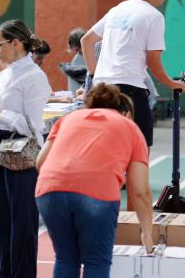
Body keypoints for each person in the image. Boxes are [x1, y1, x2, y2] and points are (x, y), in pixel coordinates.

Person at [35, 83, 152, 278]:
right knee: (96, 260)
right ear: (125, 112)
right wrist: (147, 232)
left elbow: (40, 162)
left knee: (66, 258)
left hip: (50, 190)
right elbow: (140, 190)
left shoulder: (68, 119)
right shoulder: (130, 127)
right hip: (97, 193)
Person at [0, 19, 51, 278]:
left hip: (21, 147)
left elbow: (32, 126)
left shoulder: (34, 77)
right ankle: (3, 272)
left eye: (1, 44)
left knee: (22, 220)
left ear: (16, 43)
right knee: (3, 218)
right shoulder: (5, 73)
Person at [81, 0, 185, 147]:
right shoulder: (154, 17)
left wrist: (93, 75)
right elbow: (153, 61)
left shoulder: (117, 9)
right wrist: (172, 83)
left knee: (105, 148)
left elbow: (86, 40)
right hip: (128, 91)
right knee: (139, 150)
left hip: (101, 89)